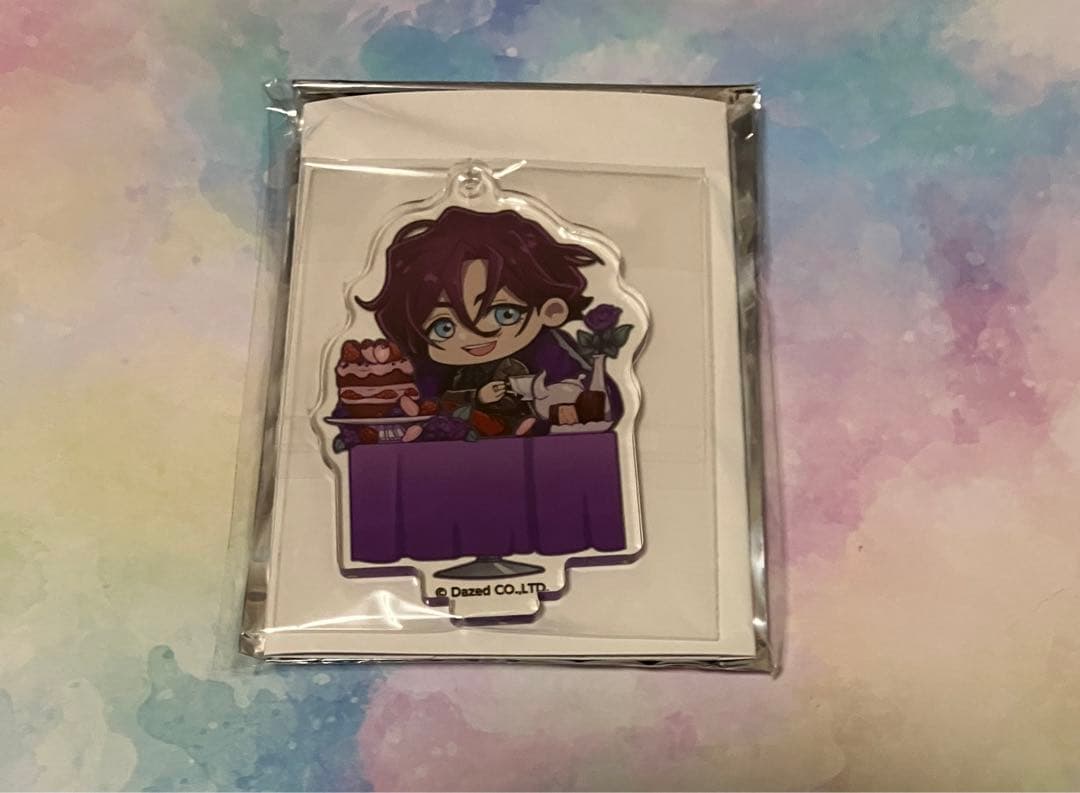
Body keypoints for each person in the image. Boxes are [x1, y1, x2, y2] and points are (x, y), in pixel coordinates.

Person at [357, 206, 622, 436]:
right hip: (452, 459)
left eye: (503, 313)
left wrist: (565, 397)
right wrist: (476, 398)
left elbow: (600, 400)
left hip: (544, 453)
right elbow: (423, 406)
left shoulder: (547, 347)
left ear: (551, 311)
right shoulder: (427, 366)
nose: (473, 335)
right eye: (444, 327)